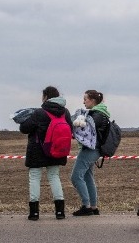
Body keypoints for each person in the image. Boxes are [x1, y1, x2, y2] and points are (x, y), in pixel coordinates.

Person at [20, 86, 73, 220]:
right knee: (54, 177)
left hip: (37, 151)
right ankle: (60, 212)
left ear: (45, 97)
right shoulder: (65, 112)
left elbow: (25, 129)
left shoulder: (39, 112)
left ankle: (34, 213)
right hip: (56, 150)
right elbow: (71, 129)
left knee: (34, 178)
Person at [70, 89, 110, 216]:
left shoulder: (96, 115)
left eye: (85, 99)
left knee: (76, 177)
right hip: (96, 150)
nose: (83, 102)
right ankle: (93, 206)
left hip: (90, 150)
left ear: (92, 101)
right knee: (88, 177)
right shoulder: (101, 114)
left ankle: (86, 206)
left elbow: (84, 130)